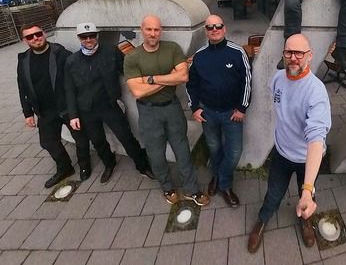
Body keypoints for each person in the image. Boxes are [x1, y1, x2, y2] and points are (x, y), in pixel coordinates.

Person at [248, 34, 332, 254]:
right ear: (284, 53)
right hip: (282, 153)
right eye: (289, 52)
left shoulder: (316, 92)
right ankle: (263, 219)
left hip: (307, 159)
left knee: (306, 194)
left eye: (299, 53)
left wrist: (307, 189)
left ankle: (305, 219)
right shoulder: (277, 79)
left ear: (310, 55)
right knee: (273, 193)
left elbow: (316, 140)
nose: (293, 58)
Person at [123, 15, 210, 206]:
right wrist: (168, 77)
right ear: (141, 30)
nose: (153, 33)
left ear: (161, 31)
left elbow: (183, 76)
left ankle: (192, 190)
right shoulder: (132, 58)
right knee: (156, 154)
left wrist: (151, 79)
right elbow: (137, 92)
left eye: (156, 30)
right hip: (148, 113)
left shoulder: (172, 48)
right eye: (149, 29)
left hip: (172, 108)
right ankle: (167, 188)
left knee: (182, 150)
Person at [64, 22, 155, 184]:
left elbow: (128, 70)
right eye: (84, 37)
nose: (89, 39)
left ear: (97, 36)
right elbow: (69, 90)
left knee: (126, 136)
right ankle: (109, 163)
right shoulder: (71, 61)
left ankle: (142, 165)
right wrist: (73, 115)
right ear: (79, 38)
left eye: (92, 35)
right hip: (86, 110)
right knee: (98, 141)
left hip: (109, 106)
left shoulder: (111, 51)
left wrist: (144, 84)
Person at [186, 15, 252, 207]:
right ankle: (218, 177)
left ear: (224, 29)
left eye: (218, 26)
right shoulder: (199, 56)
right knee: (214, 148)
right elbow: (192, 85)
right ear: (206, 31)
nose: (214, 29)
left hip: (233, 114)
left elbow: (247, 81)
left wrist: (242, 107)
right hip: (208, 113)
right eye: (210, 27)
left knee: (234, 152)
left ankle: (222, 181)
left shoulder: (237, 52)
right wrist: (195, 108)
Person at [16, 24, 91, 188]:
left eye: (37, 34)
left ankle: (85, 166)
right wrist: (27, 113)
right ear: (25, 41)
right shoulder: (23, 60)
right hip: (45, 111)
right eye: (30, 37)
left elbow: (78, 80)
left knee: (80, 138)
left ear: (43, 34)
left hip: (67, 107)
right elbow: (23, 88)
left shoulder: (61, 54)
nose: (35, 38)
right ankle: (65, 168)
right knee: (48, 142)